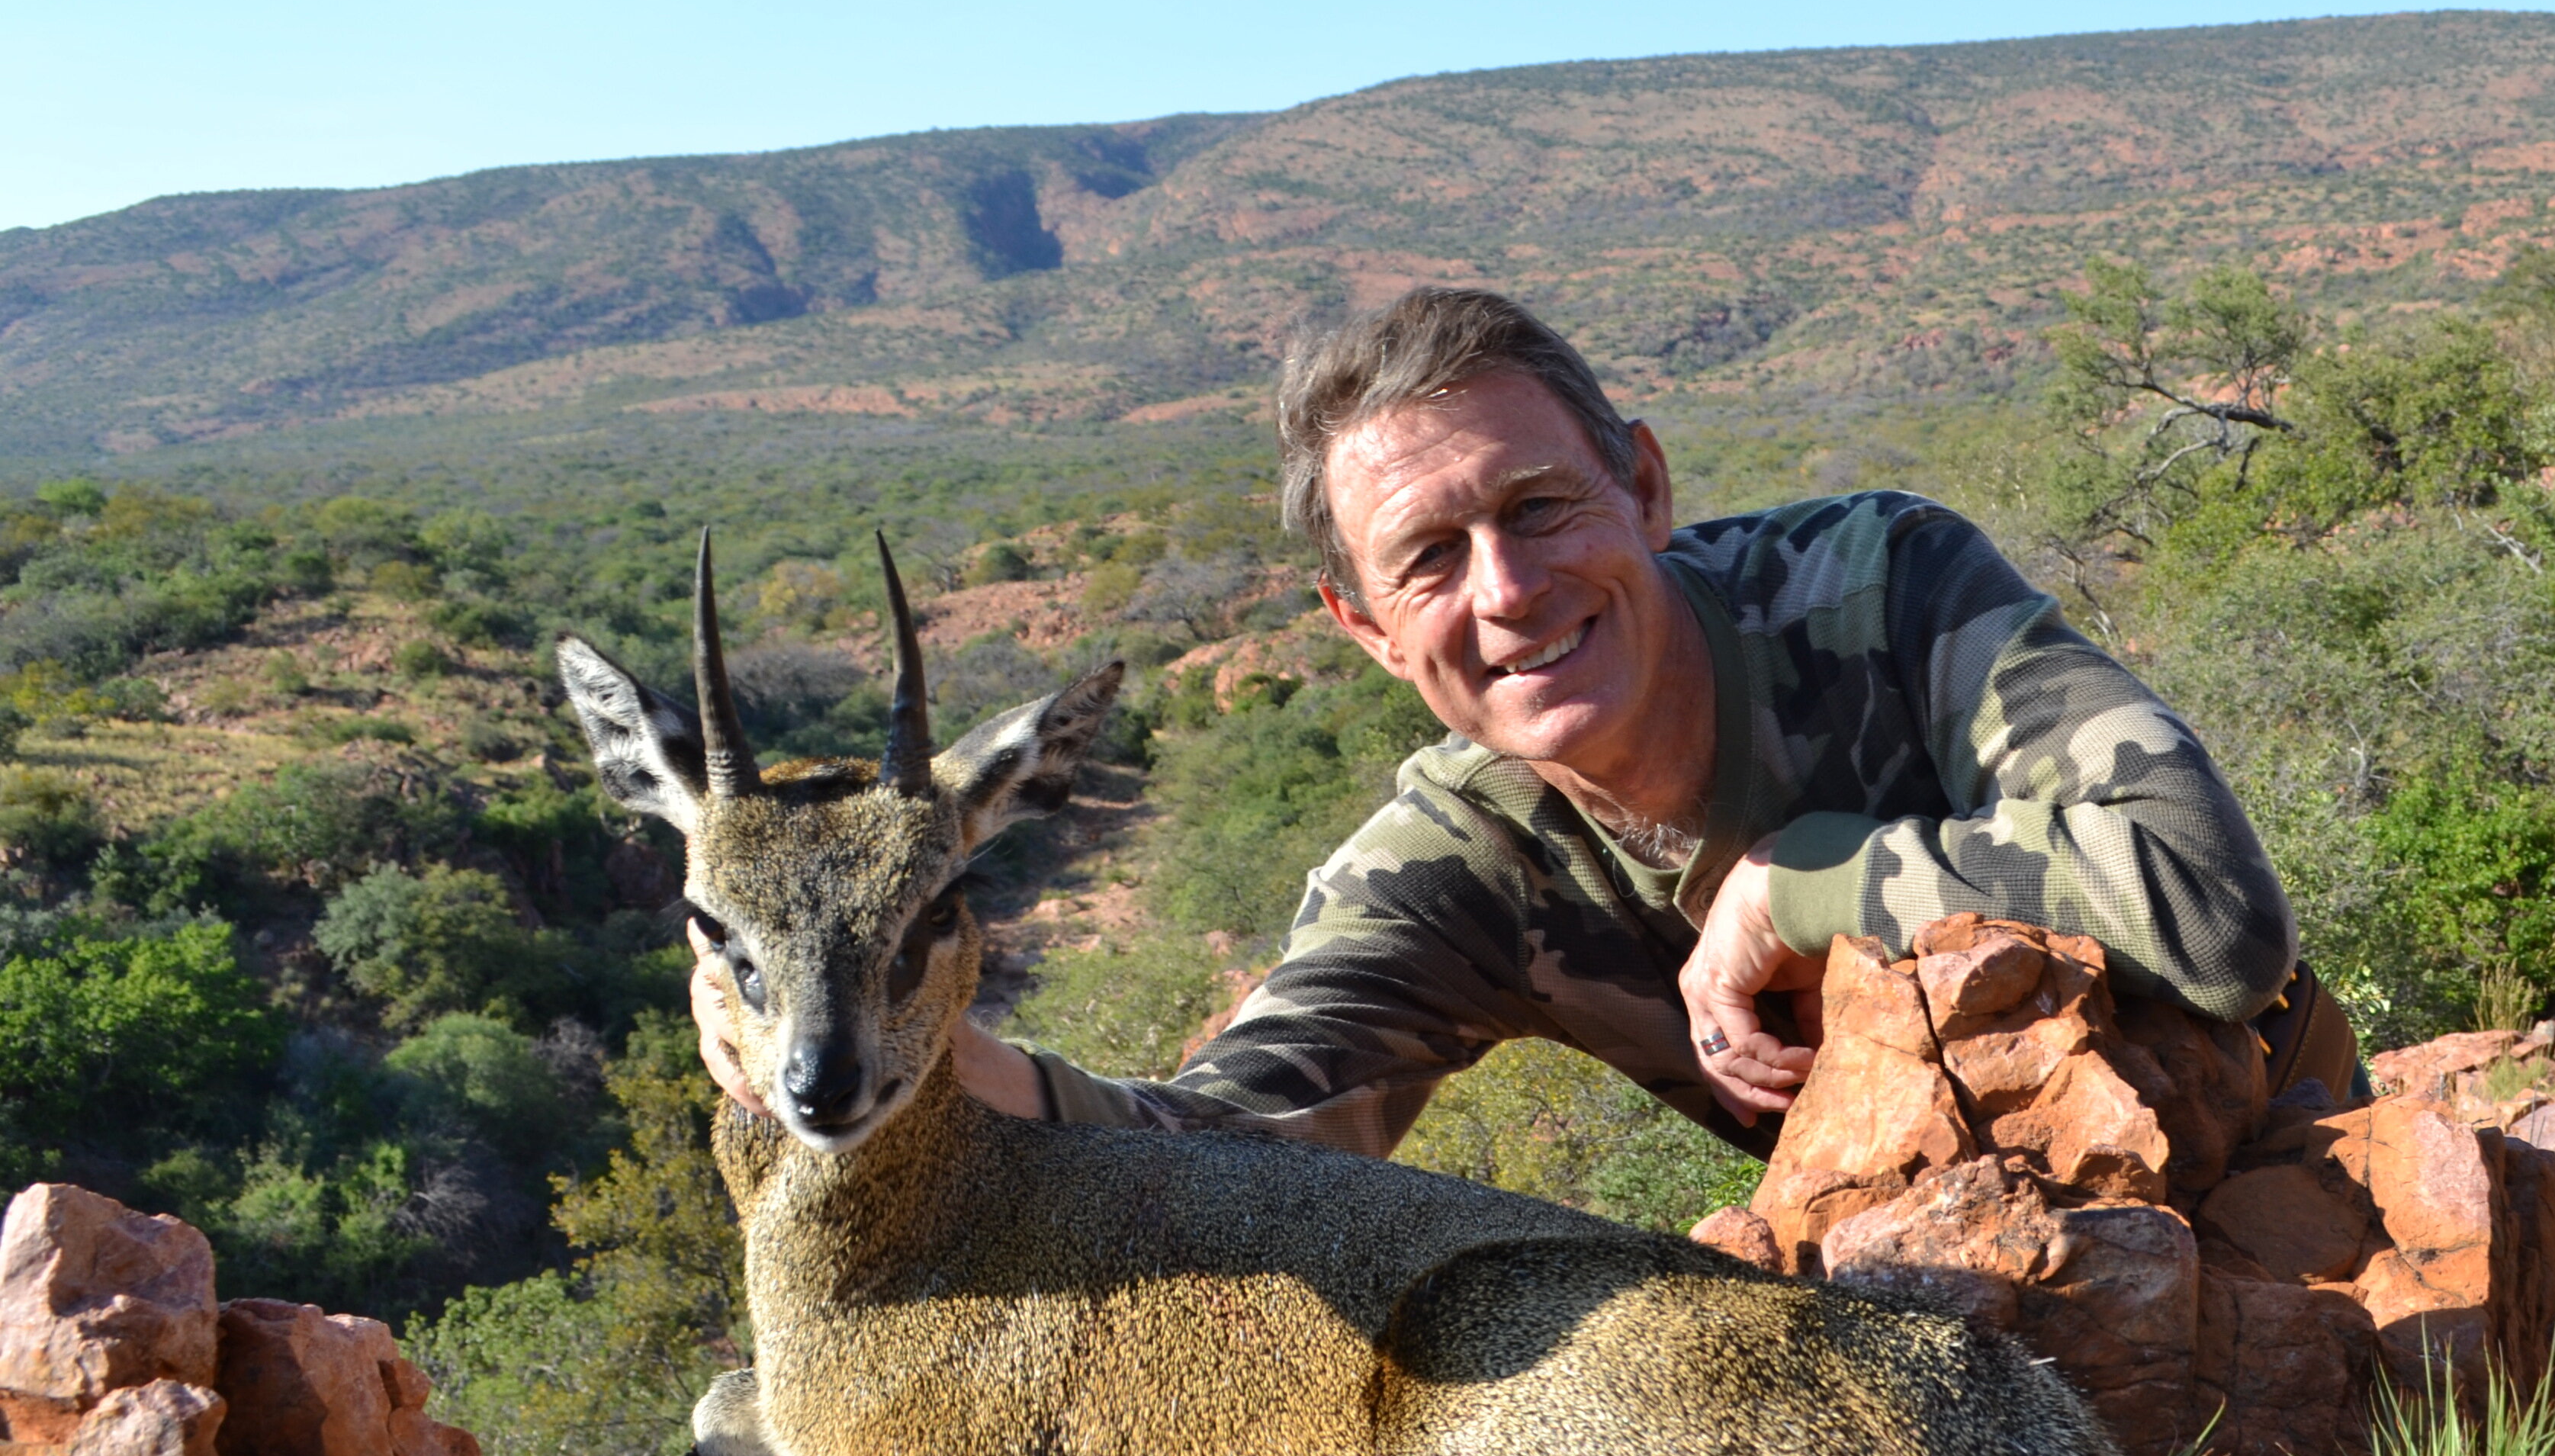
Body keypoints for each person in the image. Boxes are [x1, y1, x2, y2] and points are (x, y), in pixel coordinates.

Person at [689, 284, 2360, 1158]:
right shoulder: (1455, 864)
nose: (1506, 590)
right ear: (1360, 628)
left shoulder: (1878, 584)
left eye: (1544, 507)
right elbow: (1223, 1147)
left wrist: (1806, 881)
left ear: (1642, 481)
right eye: (1427, 556)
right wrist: (924, 1050)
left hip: (2287, 1171)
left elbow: (2213, 913)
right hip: (1937, 1277)